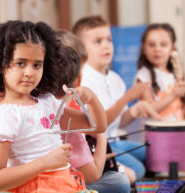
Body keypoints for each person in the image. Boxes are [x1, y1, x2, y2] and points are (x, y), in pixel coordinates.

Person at [0, 20, 107, 192]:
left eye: (37, 64)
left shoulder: (48, 102)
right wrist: (44, 163)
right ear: (0, 64)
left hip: (65, 184)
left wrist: (92, 99)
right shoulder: (1, 116)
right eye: (20, 63)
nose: (29, 72)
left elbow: (97, 126)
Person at [73, 15, 161, 183]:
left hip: (116, 140)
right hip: (100, 145)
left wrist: (136, 108)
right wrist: (128, 97)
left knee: (155, 154)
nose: (106, 45)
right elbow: (100, 124)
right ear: (82, 49)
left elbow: (120, 122)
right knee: (139, 168)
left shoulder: (115, 79)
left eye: (109, 39)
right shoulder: (83, 80)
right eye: (97, 42)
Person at [55, 30, 130, 192]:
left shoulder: (45, 105)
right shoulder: (62, 112)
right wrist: (101, 141)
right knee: (122, 180)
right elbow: (100, 129)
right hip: (72, 179)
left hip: (78, 166)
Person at [134, 23, 185, 168]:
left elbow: (181, 112)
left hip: (178, 131)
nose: (157, 49)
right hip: (160, 137)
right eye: (152, 44)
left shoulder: (173, 75)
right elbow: (149, 109)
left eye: (163, 44)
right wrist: (172, 95)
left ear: (173, 48)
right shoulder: (144, 75)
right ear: (143, 48)